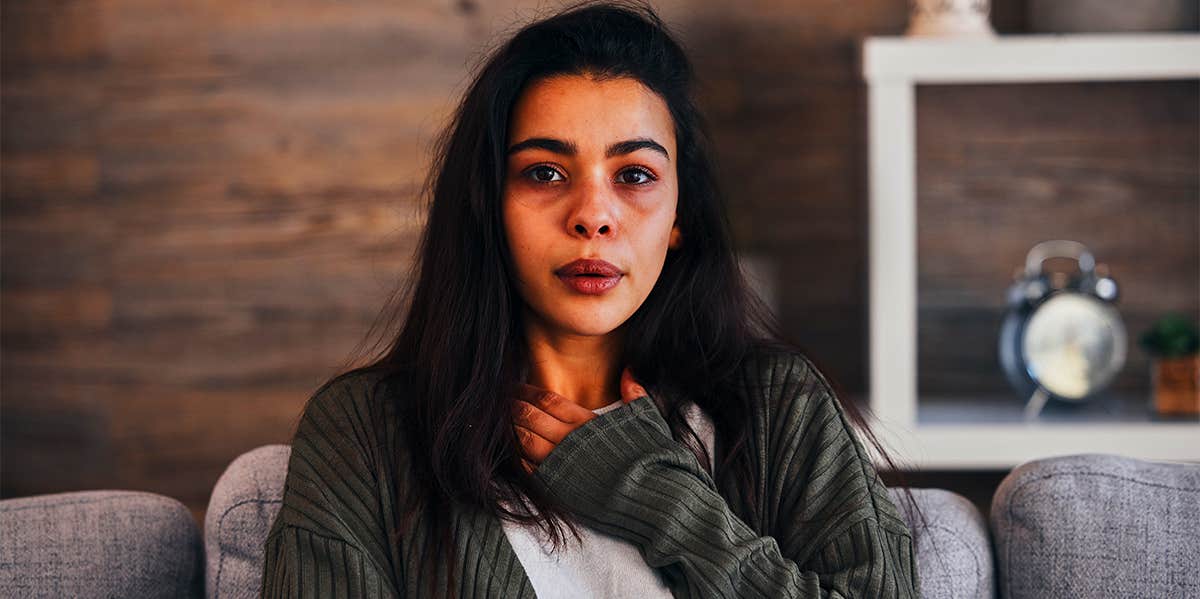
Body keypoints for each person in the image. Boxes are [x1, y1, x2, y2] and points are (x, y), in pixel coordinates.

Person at [259, 1, 930, 597]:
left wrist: (656, 497)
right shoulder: (365, 432)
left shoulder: (778, 405)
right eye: (545, 172)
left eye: (635, 174)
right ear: (488, 206)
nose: (593, 215)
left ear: (678, 218)